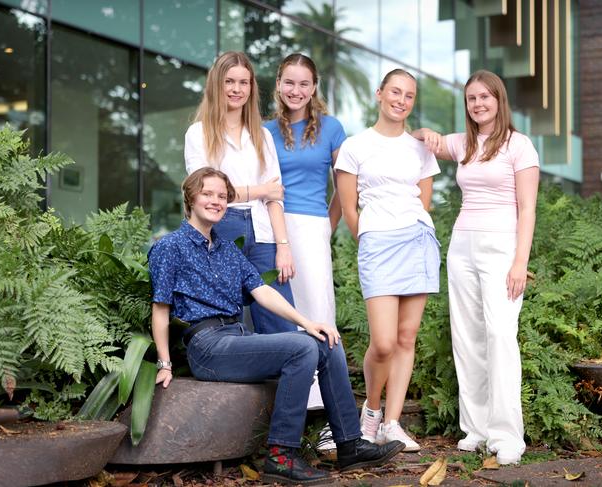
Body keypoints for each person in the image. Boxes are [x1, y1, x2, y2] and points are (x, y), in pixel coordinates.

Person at [149, 167, 405, 485]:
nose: (216, 201)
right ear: (190, 198)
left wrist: (308, 322)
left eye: (221, 196)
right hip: (208, 346)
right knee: (299, 349)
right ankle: (281, 457)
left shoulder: (228, 249)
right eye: (207, 194)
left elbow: (263, 291)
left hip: (236, 337)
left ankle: (350, 444)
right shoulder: (169, 246)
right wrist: (165, 363)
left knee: (325, 341)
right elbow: (160, 309)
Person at [413, 69, 540, 465]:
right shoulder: (466, 143)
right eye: (471, 98)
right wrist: (428, 134)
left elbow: (529, 208)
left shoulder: (520, 146)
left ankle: (507, 435)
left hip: (502, 248)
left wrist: (521, 261)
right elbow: (415, 137)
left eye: (485, 96)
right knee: (467, 337)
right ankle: (476, 429)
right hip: (462, 247)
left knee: (500, 335)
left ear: (499, 100)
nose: (479, 103)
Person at [335, 69, 441, 452]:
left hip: (417, 239)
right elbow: (349, 210)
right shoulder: (355, 146)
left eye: (409, 95)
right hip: (378, 242)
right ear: (379, 94)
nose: (401, 100)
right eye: (395, 91)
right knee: (382, 342)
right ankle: (372, 413)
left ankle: (393, 423)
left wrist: (408, 228)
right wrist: (371, 237)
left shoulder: (420, 147)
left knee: (405, 337)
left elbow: (423, 200)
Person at [184, 51, 296, 335]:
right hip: (221, 230)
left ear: (251, 87)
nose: (237, 89)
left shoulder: (263, 135)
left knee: (282, 326)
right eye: (229, 81)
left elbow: (275, 196)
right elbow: (206, 193)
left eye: (244, 83)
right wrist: (259, 189)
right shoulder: (198, 134)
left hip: (264, 233)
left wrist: (283, 246)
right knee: (225, 323)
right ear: (216, 85)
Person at [264, 53, 346, 413]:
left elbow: (345, 189)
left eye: (303, 84)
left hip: (312, 227)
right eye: (289, 83)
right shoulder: (264, 132)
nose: (295, 91)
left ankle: (328, 413)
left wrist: (326, 226)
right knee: (282, 314)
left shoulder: (332, 128)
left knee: (319, 311)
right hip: (272, 227)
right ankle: (296, 407)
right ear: (278, 85)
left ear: (314, 88)